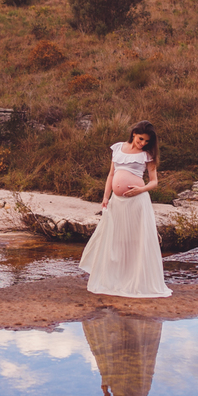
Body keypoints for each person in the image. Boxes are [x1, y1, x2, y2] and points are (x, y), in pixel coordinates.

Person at [79, 120, 172, 298]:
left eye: (146, 141)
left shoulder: (147, 155)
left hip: (137, 202)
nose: (143, 143)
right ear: (134, 133)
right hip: (117, 202)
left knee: (136, 240)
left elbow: (154, 182)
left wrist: (140, 189)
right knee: (115, 239)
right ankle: (117, 278)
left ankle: (135, 280)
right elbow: (111, 175)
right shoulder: (118, 148)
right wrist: (106, 197)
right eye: (140, 139)